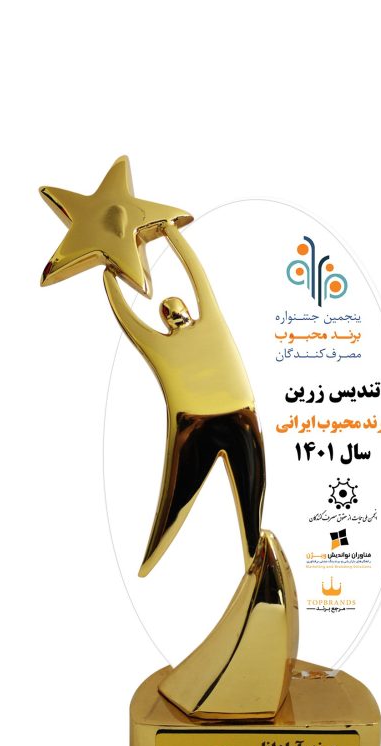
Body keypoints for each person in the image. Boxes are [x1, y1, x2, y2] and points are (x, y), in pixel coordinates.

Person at [103, 223, 265, 577]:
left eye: (177, 308)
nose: (176, 314)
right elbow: (130, 323)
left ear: (188, 309)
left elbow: (197, 275)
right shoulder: (162, 346)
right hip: (194, 428)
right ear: (165, 320)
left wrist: (171, 233)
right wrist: (110, 277)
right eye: (169, 312)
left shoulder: (210, 322)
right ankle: (158, 557)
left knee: (252, 499)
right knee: (175, 504)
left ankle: (257, 566)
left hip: (241, 418)